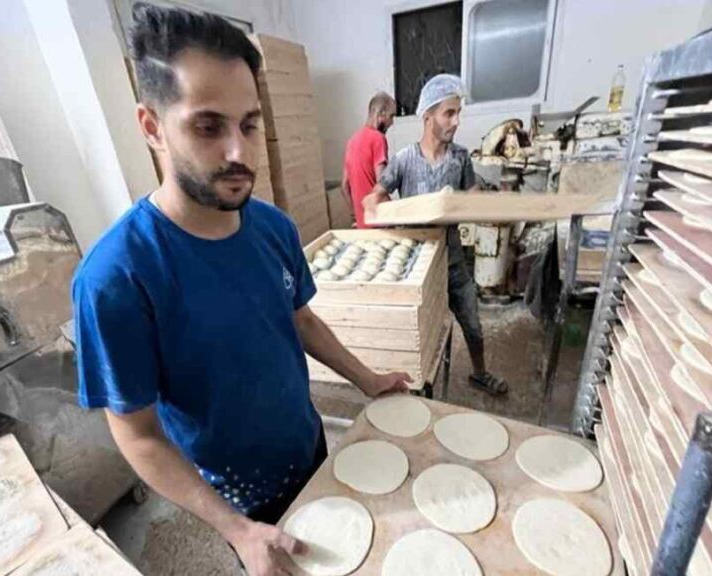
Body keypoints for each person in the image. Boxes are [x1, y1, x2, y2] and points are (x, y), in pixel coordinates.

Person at [72, 5, 412, 576]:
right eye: (208, 127)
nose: (239, 152)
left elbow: (301, 321)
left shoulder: (273, 228)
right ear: (152, 127)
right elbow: (138, 435)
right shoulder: (116, 278)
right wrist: (237, 530)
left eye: (249, 125)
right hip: (237, 496)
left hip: (308, 447)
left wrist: (367, 379)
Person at [363, 74, 508, 396]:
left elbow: (473, 198)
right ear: (427, 116)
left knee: (472, 322)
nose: (456, 121)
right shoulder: (404, 160)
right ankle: (418, 385)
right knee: (423, 332)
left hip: (453, 257)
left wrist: (489, 205)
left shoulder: (460, 158)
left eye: (458, 113)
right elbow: (377, 195)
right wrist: (379, 208)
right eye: (449, 113)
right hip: (417, 264)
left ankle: (480, 373)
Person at [341, 92, 396, 228]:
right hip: (379, 223)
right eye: (391, 116)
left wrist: (356, 214)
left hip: (363, 225)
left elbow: (344, 187)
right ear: (381, 113)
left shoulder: (351, 141)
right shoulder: (378, 139)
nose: (392, 122)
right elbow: (382, 184)